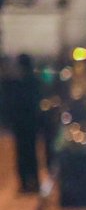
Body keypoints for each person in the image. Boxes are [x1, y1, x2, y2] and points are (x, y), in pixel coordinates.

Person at [3, 54, 43, 193]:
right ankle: (34, 182)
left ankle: (26, 183)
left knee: (23, 154)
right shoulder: (34, 82)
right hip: (29, 124)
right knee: (30, 154)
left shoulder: (19, 84)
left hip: (22, 124)